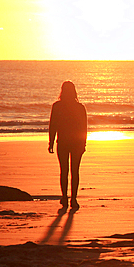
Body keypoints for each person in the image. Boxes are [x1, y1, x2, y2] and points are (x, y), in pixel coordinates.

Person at [48, 81, 88, 210]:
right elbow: (84, 127)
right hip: (76, 143)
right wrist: (84, 143)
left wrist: (51, 141)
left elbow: (52, 125)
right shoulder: (80, 107)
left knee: (64, 171)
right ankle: (74, 199)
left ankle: (65, 197)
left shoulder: (57, 106)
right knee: (75, 171)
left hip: (63, 142)